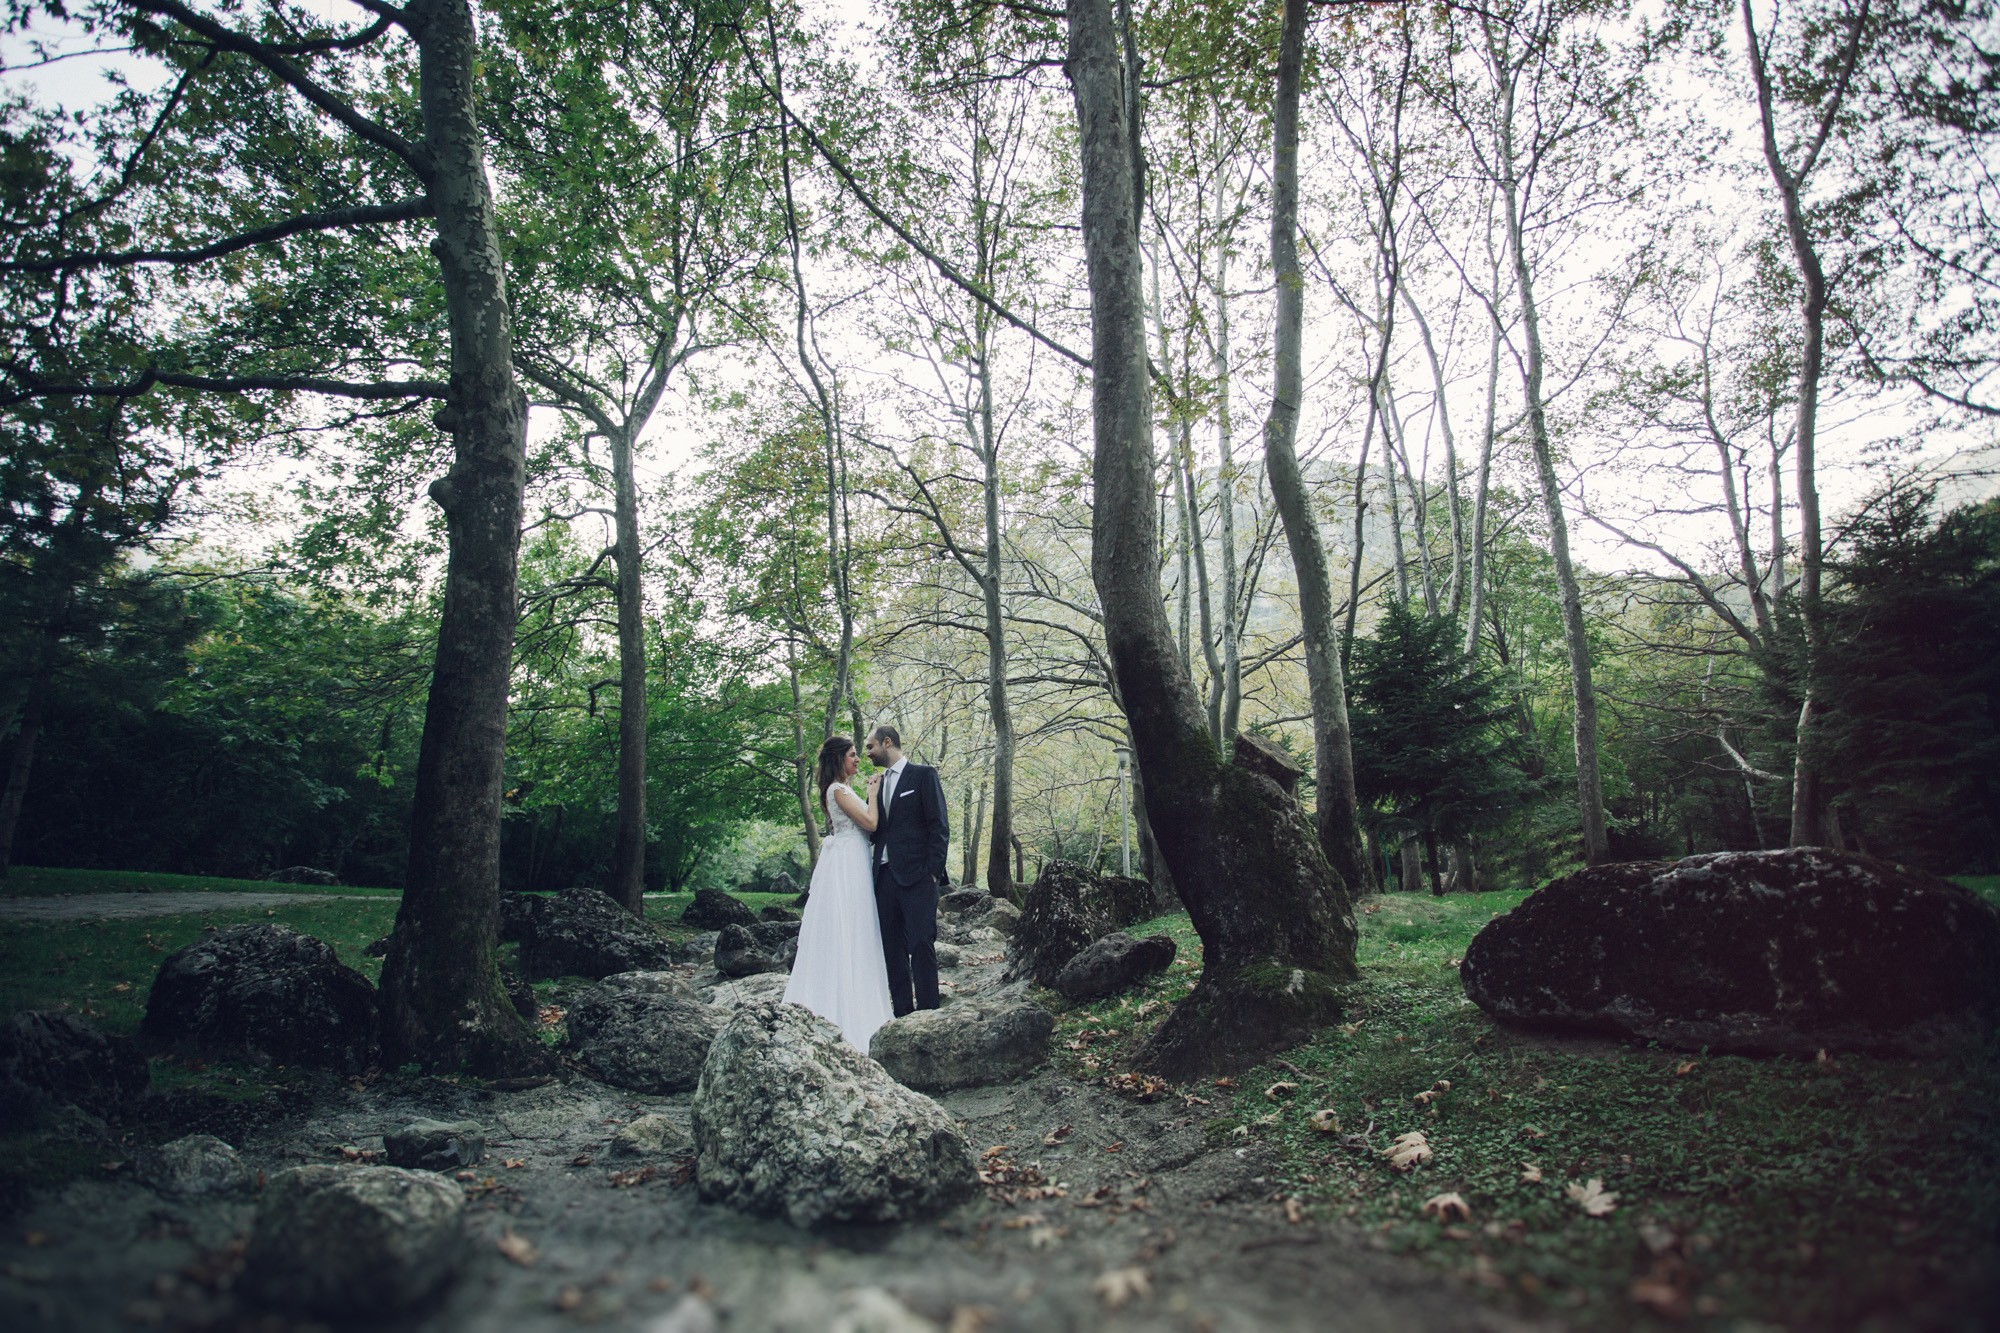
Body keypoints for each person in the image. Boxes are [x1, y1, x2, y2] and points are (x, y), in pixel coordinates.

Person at [782, 736, 894, 1050]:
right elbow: (871, 823)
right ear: (838, 759)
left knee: (856, 930)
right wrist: (874, 793)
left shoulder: (841, 789)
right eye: (852, 754)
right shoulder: (838, 790)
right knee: (850, 929)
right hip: (848, 867)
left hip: (853, 861)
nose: (858, 759)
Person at [863, 725, 950, 1016]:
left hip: (919, 877)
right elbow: (874, 828)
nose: (867, 753)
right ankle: (901, 1013)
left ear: (887, 742)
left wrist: (933, 872)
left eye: (870, 746)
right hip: (883, 877)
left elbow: (939, 825)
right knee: (892, 947)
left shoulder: (923, 775)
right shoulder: (875, 784)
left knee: (921, 943)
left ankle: (928, 1012)